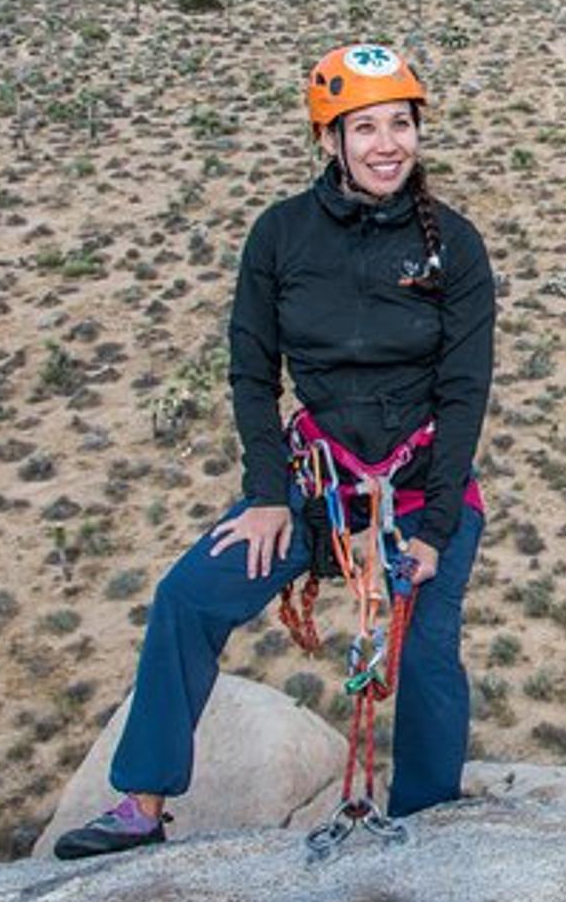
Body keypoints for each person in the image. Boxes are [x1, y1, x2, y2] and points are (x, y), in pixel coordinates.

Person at [53, 43, 495, 859]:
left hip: (419, 489)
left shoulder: (453, 246)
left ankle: (430, 826)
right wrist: (265, 495)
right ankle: (141, 801)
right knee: (188, 596)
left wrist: (432, 529)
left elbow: (466, 389)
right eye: (364, 128)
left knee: (428, 649)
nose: (386, 144)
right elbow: (252, 373)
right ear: (329, 139)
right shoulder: (281, 236)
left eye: (400, 123)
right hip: (316, 487)